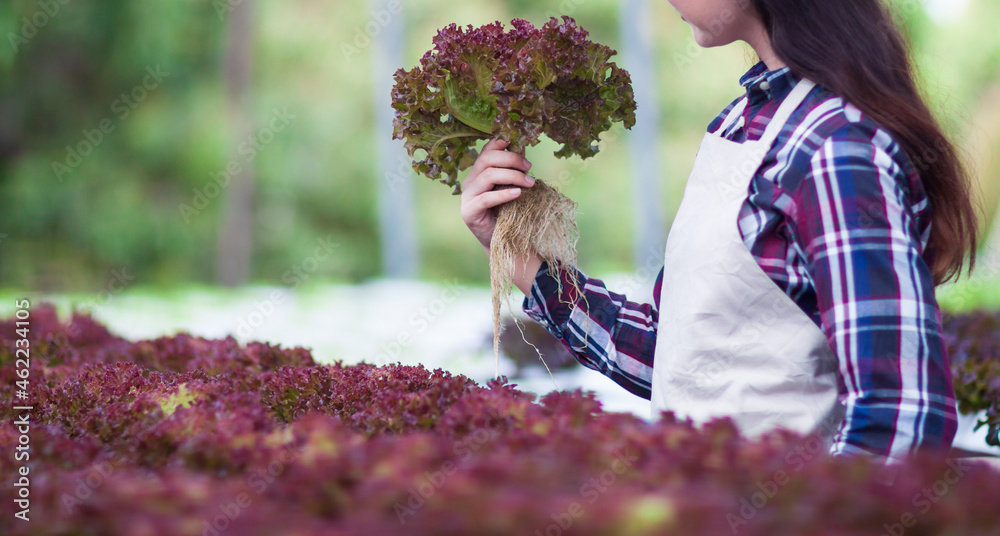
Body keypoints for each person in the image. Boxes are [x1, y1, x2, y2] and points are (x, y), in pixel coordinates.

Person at [459, 0, 980, 463]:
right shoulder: (738, 124)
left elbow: (901, 412)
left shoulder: (833, 150)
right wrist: (515, 253)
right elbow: (680, 359)